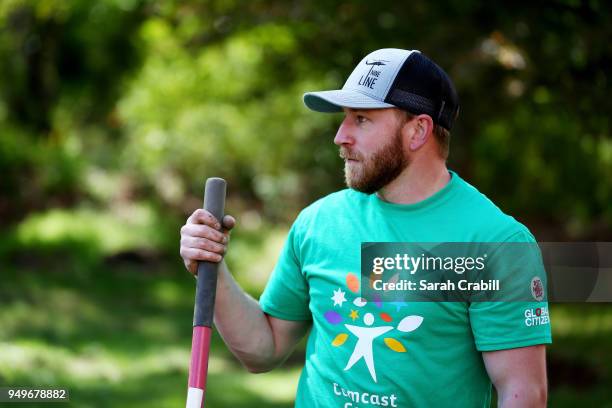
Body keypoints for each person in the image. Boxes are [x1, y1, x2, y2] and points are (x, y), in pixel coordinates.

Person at [179, 48, 552, 407]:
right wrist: (213, 267)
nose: (340, 136)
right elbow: (263, 349)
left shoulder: (494, 242)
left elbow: (523, 394)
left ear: (417, 131)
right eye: (344, 117)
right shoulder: (319, 223)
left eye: (361, 118)